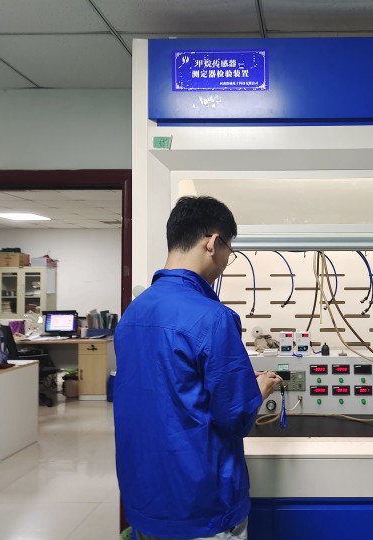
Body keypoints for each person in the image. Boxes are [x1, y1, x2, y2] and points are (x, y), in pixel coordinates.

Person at [113, 196, 282, 540]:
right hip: (202, 509)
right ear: (213, 243)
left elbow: (166, 392)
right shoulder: (213, 318)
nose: (225, 262)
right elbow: (235, 417)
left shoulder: (134, 312)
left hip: (145, 501)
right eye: (229, 252)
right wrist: (258, 389)